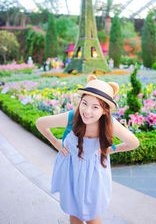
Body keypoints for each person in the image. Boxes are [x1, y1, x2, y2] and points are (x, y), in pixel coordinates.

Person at [36, 74, 140, 224]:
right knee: (74, 213)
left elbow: (134, 143)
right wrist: (55, 143)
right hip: (71, 169)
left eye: (95, 107)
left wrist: (112, 149)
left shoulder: (109, 123)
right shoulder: (73, 116)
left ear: (105, 110)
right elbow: (40, 123)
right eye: (84, 103)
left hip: (94, 173)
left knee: (92, 215)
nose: (87, 111)